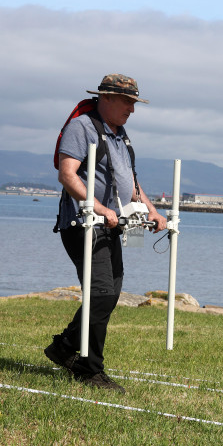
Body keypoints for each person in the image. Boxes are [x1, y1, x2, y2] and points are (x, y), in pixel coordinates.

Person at [45, 74, 167, 393]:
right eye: (128, 102)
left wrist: (151, 210)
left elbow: (130, 181)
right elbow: (67, 174)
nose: (132, 109)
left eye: (134, 103)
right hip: (84, 224)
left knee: (110, 294)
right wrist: (99, 207)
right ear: (107, 98)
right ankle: (88, 368)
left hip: (113, 225)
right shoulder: (82, 127)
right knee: (101, 293)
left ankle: (65, 348)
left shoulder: (120, 134)